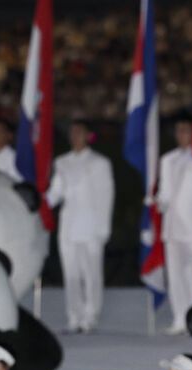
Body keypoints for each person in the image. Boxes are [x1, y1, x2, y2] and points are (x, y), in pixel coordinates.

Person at [46, 122, 115, 333]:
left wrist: (104, 228)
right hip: (68, 226)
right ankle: (74, 316)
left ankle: (90, 315)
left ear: (88, 135)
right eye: (72, 132)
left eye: (80, 132)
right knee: (71, 274)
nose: (76, 136)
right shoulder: (62, 162)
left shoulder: (99, 163)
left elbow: (106, 196)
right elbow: (55, 195)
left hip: (92, 226)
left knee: (91, 274)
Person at [155, 115, 192, 333]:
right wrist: (158, 201)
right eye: (178, 130)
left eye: (186, 130)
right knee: (175, 276)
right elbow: (165, 193)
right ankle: (179, 316)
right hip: (172, 227)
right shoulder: (167, 160)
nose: (182, 135)